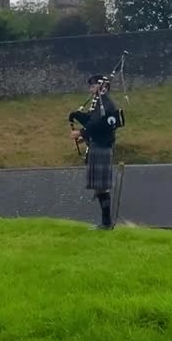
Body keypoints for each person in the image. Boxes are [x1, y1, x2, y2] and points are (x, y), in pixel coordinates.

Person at [70, 73, 121, 230]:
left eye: (93, 86)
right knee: (99, 187)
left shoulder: (105, 103)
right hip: (97, 145)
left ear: (101, 86)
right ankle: (105, 223)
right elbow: (93, 121)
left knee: (101, 187)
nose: (90, 89)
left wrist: (81, 133)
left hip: (102, 147)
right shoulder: (99, 102)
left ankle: (106, 223)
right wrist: (77, 116)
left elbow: (97, 123)